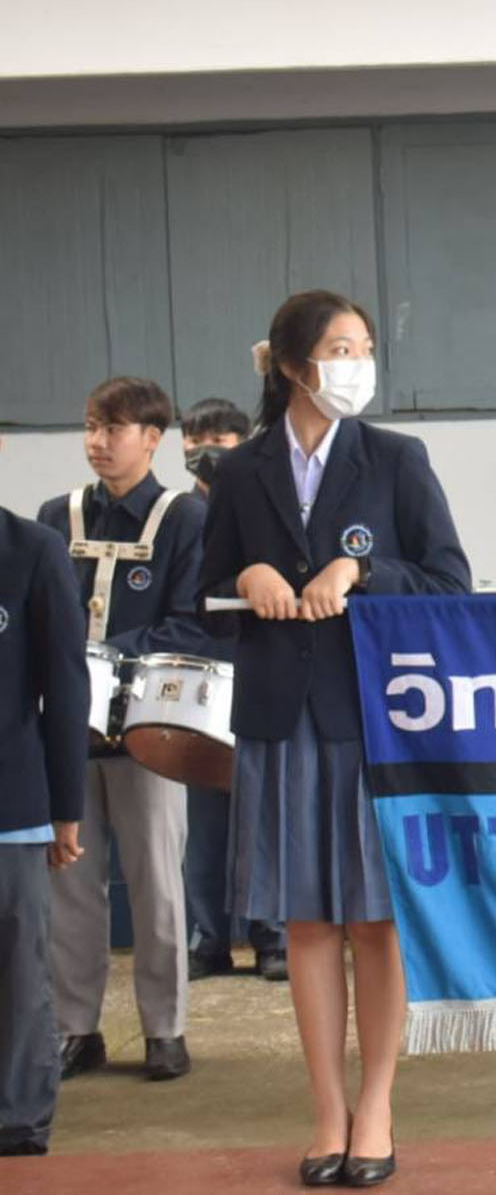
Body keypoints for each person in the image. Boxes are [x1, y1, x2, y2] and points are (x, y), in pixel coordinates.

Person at [199, 290, 471, 1188]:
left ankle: (379, 1105)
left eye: (362, 345)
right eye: (338, 347)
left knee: (375, 922)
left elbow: (448, 582)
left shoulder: (396, 459)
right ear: (289, 365)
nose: (355, 360)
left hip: (373, 719)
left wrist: (363, 569)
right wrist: (249, 568)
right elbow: (202, 592)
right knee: (309, 921)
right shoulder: (238, 472)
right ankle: (326, 1109)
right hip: (279, 717)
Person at [37, 377, 209, 1085]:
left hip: (151, 730)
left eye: (113, 428)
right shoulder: (57, 514)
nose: (97, 442)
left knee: (155, 882)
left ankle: (164, 1028)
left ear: (152, 438)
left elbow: (193, 619)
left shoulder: (184, 517)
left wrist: (105, 657)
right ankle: (76, 1027)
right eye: (89, 426)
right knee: (70, 886)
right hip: (68, 731)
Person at [178, 397, 288, 984]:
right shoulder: (174, 515)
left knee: (262, 810)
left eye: (221, 439)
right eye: (196, 439)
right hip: (193, 682)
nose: (206, 450)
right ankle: (208, 938)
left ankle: (272, 936)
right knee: (205, 819)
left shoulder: (255, 504)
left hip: (251, 672)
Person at [0, 448, 90, 1159]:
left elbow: (64, 688)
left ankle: (19, 1117)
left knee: (17, 969)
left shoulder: (33, 550)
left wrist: (66, 807)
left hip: (12, 804)